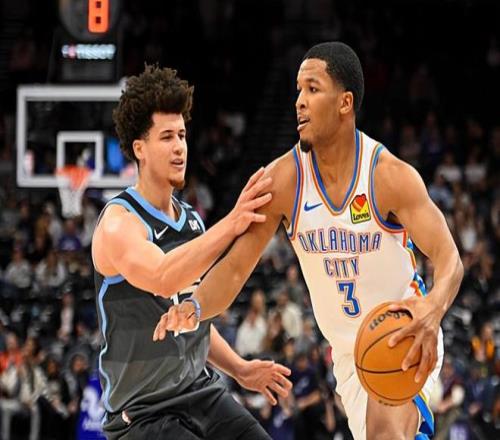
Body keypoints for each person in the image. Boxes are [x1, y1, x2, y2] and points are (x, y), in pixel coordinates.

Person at [155, 42, 464, 440]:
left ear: (345, 103)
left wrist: (432, 309)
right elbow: (234, 270)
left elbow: (449, 258)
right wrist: (195, 307)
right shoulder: (284, 180)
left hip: (402, 332)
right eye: (298, 90)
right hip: (349, 355)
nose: (299, 101)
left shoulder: (387, 176)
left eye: (312, 89)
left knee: (387, 433)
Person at [91, 65, 291, 439]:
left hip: (200, 393)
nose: (180, 147)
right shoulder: (119, 224)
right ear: (140, 149)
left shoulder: (191, 222)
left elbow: (192, 315)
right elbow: (163, 277)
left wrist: (240, 369)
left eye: (182, 135)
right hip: (143, 413)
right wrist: (232, 222)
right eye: (167, 137)